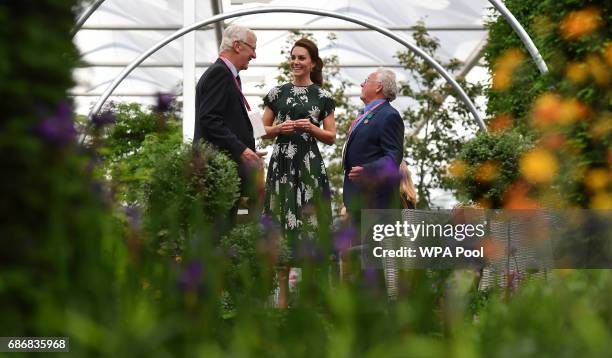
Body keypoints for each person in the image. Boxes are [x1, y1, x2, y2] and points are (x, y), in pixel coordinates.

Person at [261, 38, 336, 308]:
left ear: (312, 63)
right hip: (281, 165)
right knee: (281, 222)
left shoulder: (323, 97)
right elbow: (262, 130)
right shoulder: (276, 93)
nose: (295, 62)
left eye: (301, 58)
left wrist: (311, 129)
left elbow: (331, 136)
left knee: (311, 224)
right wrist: (279, 129)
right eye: (293, 57)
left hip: (309, 166)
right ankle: (281, 297)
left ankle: (310, 294)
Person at [193, 25, 264, 218]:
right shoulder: (220, 73)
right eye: (253, 48)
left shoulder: (227, 75)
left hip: (224, 168)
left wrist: (246, 149)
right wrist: (241, 150)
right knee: (218, 228)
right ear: (237, 46)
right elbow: (209, 118)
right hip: (217, 170)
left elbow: (222, 120)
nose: (254, 55)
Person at [343, 68, 404, 217]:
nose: (361, 84)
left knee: (373, 242)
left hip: (376, 203)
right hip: (358, 200)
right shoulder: (367, 115)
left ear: (378, 87)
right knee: (360, 241)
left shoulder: (389, 115)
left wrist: (368, 170)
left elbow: (393, 157)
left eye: (366, 81)